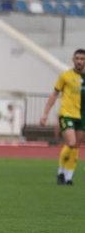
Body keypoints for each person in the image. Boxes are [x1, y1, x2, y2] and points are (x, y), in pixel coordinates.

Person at [39, 48, 85, 185]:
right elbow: (54, 95)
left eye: (82, 59)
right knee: (71, 143)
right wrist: (45, 114)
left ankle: (68, 177)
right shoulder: (65, 76)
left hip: (82, 116)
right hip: (67, 114)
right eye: (77, 58)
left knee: (76, 146)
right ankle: (61, 172)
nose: (79, 61)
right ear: (73, 60)